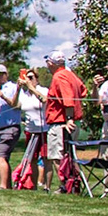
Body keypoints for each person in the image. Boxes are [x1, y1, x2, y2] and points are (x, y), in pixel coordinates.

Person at [41, 50, 85, 185]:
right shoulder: (71, 75)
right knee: (69, 156)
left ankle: (67, 185)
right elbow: (83, 91)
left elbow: (68, 98)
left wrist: (69, 118)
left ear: (51, 63)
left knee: (58, 157)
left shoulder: (59, 76)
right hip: (70, 121)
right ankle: (74, 183)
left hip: (61, 123)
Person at [0, 63, 22, 188]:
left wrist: (3, 96)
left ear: (6, 75)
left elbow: (17, 105)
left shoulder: (12, 88)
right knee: (3, 158)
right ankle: (7, 185)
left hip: (9, 128)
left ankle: (3, 186)